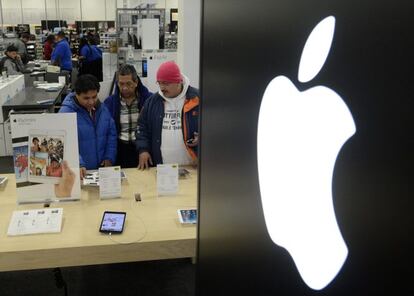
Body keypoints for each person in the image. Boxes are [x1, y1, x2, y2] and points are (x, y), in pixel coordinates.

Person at [136, 61, 200, 169]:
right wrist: (143, 150)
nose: (162, 87)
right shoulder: (152, 102)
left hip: (193, 166)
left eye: (166, 83)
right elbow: (142, 128)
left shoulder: (197, 98)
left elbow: (215, 126)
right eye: (159, 83)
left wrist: (202, 138)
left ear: (178, 81)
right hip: (163, 168)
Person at [59, 74, 117, 178]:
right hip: (80, 173)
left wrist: (109, 157)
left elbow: (111, 134)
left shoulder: (102, 109)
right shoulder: (65, 113)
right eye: (86, 98)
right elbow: (65, 143)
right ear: (76, 94)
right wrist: (79, 164)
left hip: (101, 171)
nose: (91, 102)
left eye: (94, 97)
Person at [104, 64, 152, 168]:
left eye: (128, 83)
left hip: (142, 149)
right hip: (120, 150)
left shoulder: (149, 100)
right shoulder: (109, 103)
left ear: (136, 82)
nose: (124, 88)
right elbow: (107, 132)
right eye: (121, 84)